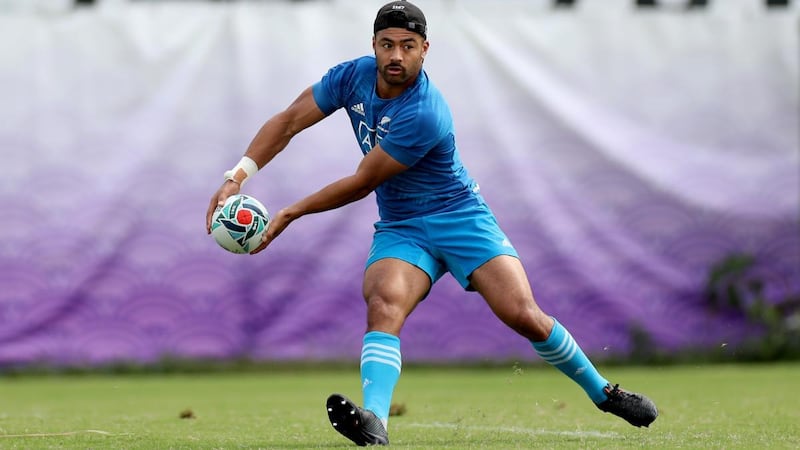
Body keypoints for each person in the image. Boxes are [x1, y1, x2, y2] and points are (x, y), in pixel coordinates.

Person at [206, 0, 658, 446]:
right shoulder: (352, 76)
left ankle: (603, 393)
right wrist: (236, 177)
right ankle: (374, 423)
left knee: (524, 316)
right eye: (387, 45)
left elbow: (364, 182)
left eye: (407, 45)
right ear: (374, 45)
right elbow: (286, 122)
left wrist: (289, 212)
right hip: (403, 225)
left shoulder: (425, 111)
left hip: (460, 217)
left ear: (425, 49)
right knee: (384, 304)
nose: (396, 56)